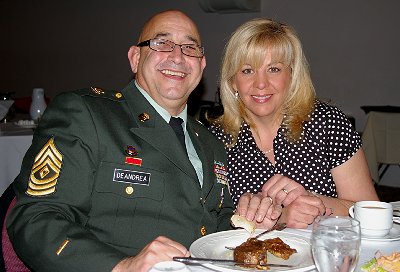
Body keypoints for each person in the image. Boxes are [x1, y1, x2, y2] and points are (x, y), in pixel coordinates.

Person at [6, 10, 281, 272]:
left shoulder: (210, 142)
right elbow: (35, 219)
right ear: (135, 58)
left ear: (202, 64)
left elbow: (213, 223)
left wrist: (249, 225)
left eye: (190, 48)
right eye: (162, 43)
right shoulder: (87, 114)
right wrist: (122, 266)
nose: (177, 56)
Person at [209, 18, 379, 229]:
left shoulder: (329, 124)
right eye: (247, 70)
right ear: (233, 81)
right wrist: (273, 217)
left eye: (274, 69)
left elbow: (372, 212)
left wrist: (314, 202)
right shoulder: (213, 141)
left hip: (323, 258)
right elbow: (209, 224)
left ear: (291, 75)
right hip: (248, 259)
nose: (261, 84)